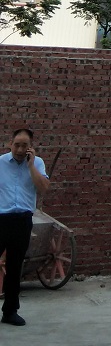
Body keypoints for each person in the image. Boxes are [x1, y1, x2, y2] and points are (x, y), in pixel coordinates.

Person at [0, 127, 50, 326]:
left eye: (24, 146)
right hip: (1, 219)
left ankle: (10, 311)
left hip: (23, 220)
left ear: (31, 147)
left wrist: (31, 166)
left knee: (14, 266)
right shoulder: (1, 163)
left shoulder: (37, 163)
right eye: (17, 145)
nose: (20, 150)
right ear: (10, 144)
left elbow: (43, 188)